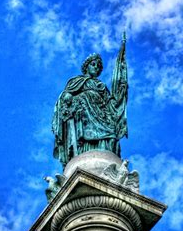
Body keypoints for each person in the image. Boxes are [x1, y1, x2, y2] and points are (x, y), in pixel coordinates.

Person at [52, 37, 128, 168]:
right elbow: (66, 96)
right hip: (85, 117)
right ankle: (84, 156)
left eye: (99, 66)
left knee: (112, 137)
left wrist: (120, 91)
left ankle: (106, 159)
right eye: (94, 64)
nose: (97, 68)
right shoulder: (77, 81)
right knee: (87, 139)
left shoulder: (102, 86)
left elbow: (111, 104)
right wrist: (70, 99)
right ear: (86, 67)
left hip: (103, 117)